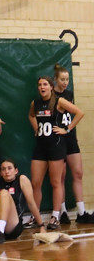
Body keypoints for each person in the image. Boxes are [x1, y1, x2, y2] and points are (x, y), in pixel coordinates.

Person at [29, 75, 84, 231]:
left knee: (55, 182)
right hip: (40, 146)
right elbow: (31, 115)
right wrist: (36, 129)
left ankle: (55, 216)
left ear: (51, 87)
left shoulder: (59, 101)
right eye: (40, 84)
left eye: (45, 84)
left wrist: (66, 129)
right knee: (35, 183)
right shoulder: (36, 103)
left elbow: (79, 113)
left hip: (56, 146)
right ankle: (35, 216)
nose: (42, 87)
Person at [53, 64, 94, 225]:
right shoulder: (52, 96)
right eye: (62, 80)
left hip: (70, 137)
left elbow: (76, 115)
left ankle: (81, 212)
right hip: (57, 140)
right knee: (60, 177)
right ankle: (62, 212)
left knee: (77, 173)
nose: (65, 82)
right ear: (55, 80)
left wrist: (68, 129)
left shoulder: (69, 94)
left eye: (67, 79)